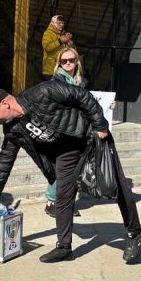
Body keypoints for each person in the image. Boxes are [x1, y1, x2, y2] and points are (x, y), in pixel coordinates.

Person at [0, 81, 141, 263]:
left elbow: (82, 96)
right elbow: (5, 158)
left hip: (88, 137)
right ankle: (64, 247)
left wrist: (100, 125)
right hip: (65, 152)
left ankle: (135, 234)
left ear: (5, 103)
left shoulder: (43, 92)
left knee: (115, 184)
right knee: (63, 196)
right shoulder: (12, 128)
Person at [44, 47, 88, 218]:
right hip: (59, 130)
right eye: (64, 61)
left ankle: (65, 202)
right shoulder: (55, 81)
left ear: (77, 61)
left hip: (77, 130)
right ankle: (51, 202)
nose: (68, 63)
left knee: (72, 170)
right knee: (59, 169)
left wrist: (106, 106)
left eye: (71, 60)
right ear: (59, 63)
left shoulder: (81, 82)